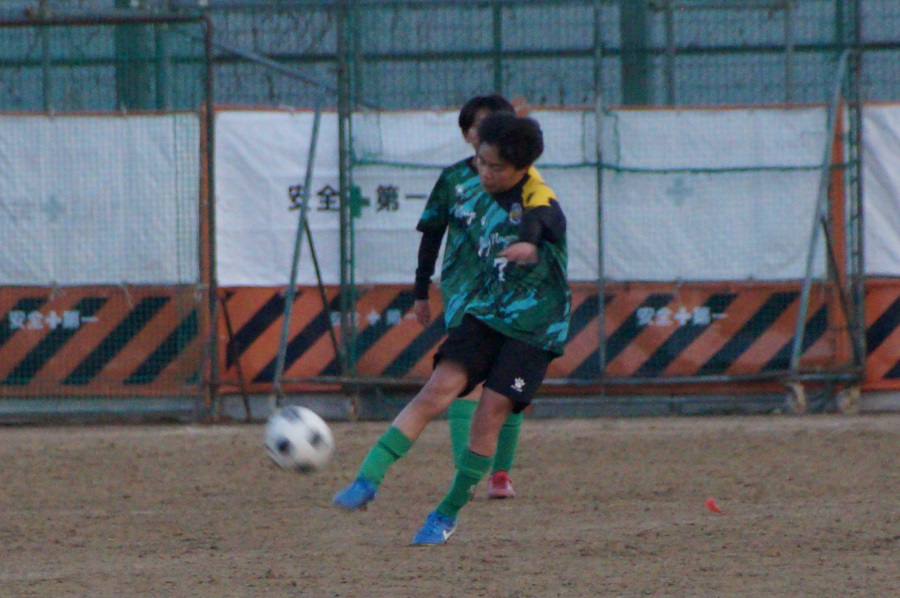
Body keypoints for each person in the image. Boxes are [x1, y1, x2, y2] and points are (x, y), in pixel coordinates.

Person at [333, 113, 571, 546]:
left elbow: (546, 219)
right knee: (436, 390)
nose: (485, 172)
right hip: (487, 312)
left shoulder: (538, 195)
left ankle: (447, 512)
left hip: (535, 328)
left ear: (521, 168)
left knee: (489, 413)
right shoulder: (468, 185)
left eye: (496, 167)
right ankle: (367, 478)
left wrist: (530, 241)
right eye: (481, 161)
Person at [413, 94, 529, 500]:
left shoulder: (525, 180)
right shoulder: (452, 180)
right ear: (467, 135)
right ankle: (469, 472)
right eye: (483, 125)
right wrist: (421, 289)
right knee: (464, 380)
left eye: (501, 123)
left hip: (513, 291)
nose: (492, 132)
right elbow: (431, 233)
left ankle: (501, 473)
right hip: (463, 290)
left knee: (508, 384)